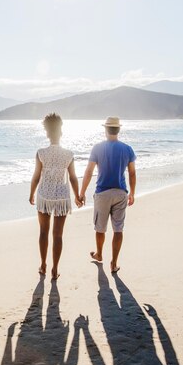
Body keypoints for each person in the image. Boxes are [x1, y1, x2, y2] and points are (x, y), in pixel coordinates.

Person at [79, 116, 136, 274]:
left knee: (100, 228)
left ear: (105, 129)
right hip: (120, 192)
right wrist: (132, 193)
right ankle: (114, 263)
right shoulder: (127, 149)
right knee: (118, 229)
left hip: (103, 192)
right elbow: (132, 173)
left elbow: (89, 171)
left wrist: (81, 192)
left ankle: (99, 254)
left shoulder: (97, 148)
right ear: (118, 129)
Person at [29, 113, 83, 280]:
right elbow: (73, 177)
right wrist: (78, 196)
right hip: (61, 198)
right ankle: (55, 268)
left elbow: (36, 176)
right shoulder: (69, 154)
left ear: (47, 133)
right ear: (61, 132)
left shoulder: (41, 153)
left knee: (43, 232)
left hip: (44, 196)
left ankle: (43, 265)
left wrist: (31, 193)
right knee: (58, 235)